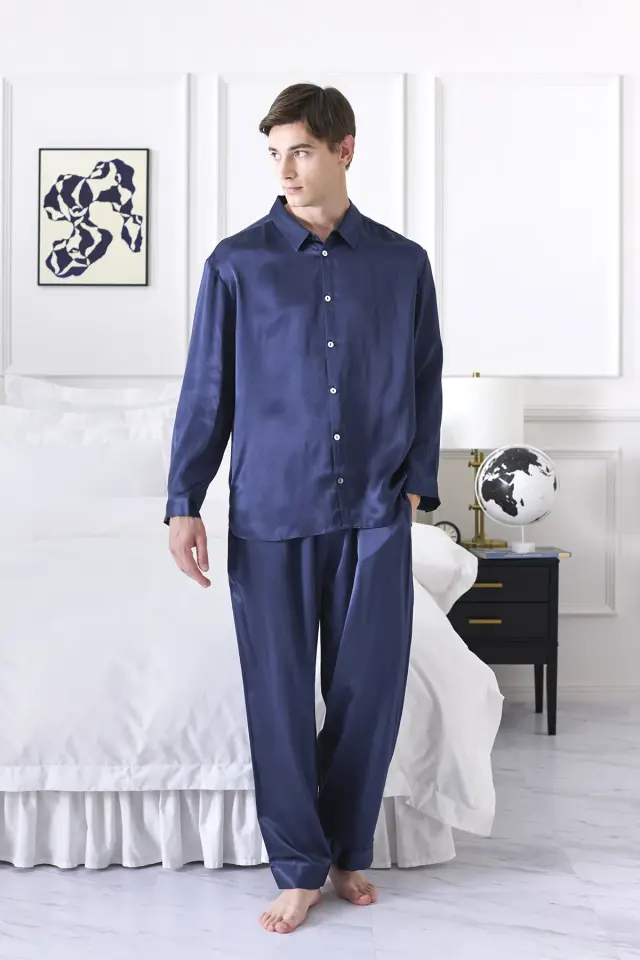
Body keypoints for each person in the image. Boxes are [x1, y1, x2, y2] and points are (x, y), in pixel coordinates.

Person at [164, 83, 443, 934]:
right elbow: (208, 390)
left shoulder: (402, 264)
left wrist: (416, 481)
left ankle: (346, 850)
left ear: (344, 150)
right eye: (276, 154)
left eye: (302, 152)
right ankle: (296, 865)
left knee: (368, 691)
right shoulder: (236, 264)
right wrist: (184, 500)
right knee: (279, 696)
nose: (285, 170)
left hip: (374, 509)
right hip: (270, 511)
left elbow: (426, 375)